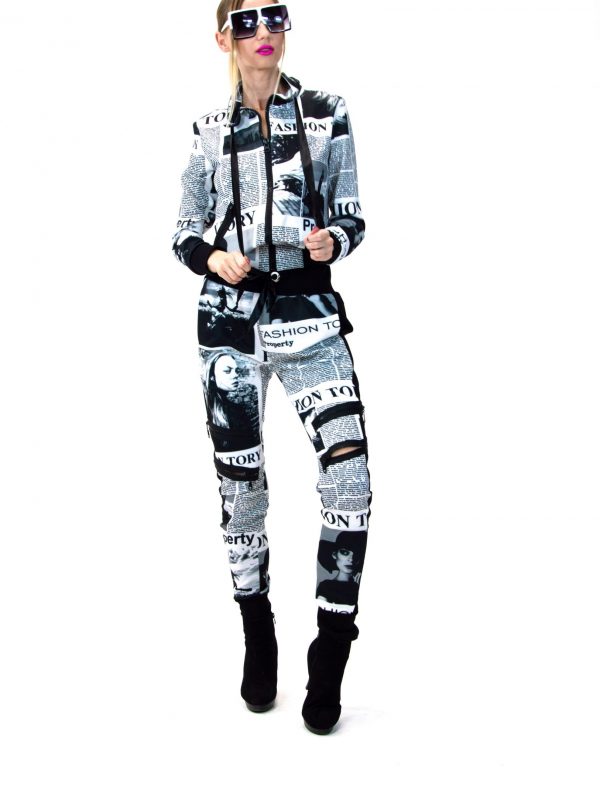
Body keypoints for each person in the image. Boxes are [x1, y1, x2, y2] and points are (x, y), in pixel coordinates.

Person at [172, 0, 371, 734]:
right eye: (248, 20)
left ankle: (332, 649)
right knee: (241, 486)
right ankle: (258, 631)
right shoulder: (206, 130)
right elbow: (183, 230)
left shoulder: (326, 112)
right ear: (223, 36)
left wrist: (333, 242)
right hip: (229, 324)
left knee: (350, 480)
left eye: (275, 16)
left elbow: (352, 215)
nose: (263, 31)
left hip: (310, 315)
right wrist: (210, 257)